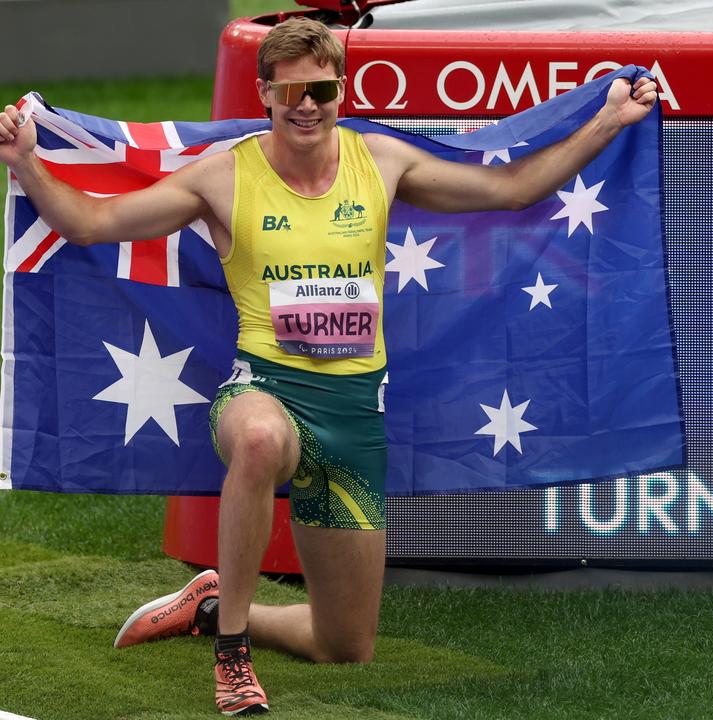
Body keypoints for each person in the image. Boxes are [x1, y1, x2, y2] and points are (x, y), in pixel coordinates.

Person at [0, 16, 657, 717]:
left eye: (321, 89)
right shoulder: (225, 175)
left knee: (344, 644)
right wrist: (25, 162)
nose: (307, 104)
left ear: (340, 90)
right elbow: (95, 224)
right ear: (265, 96)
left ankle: (216, 606)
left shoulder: (380, 161)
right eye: (291, 93)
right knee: (257, 441)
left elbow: (513, 190)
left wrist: (609, 122)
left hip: (352, 419)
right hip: (264, 393)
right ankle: (232, 657)